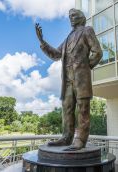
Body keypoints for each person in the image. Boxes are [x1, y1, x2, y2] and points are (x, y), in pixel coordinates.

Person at [35, 8, 102, 150]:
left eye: (74, 15)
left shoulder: (87, 30)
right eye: (69, 16)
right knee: (67, 109)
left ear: (81, 17)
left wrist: (84, 68)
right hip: (67, 80)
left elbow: (97, 52)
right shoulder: (68, 38)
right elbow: (56, 54)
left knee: (83, 109)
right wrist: (42, 42)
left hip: (80, 78)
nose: (71, 18)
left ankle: (81, 140)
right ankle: (66, 137)